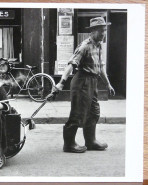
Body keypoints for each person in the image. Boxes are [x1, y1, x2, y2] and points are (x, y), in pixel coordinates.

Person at [51, 17, 115, 153]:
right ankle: (68, 144)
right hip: (82, 82)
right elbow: (71, 64)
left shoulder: (98, 46)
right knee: (77, 113)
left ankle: (90, 141)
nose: (103, 33)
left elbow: (101, 67)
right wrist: (61, 83)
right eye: (101, 31)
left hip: (93, 82)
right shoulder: (84, 46)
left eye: (104, 30)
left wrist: (108, 84)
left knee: (94, 112)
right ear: (92, 31)